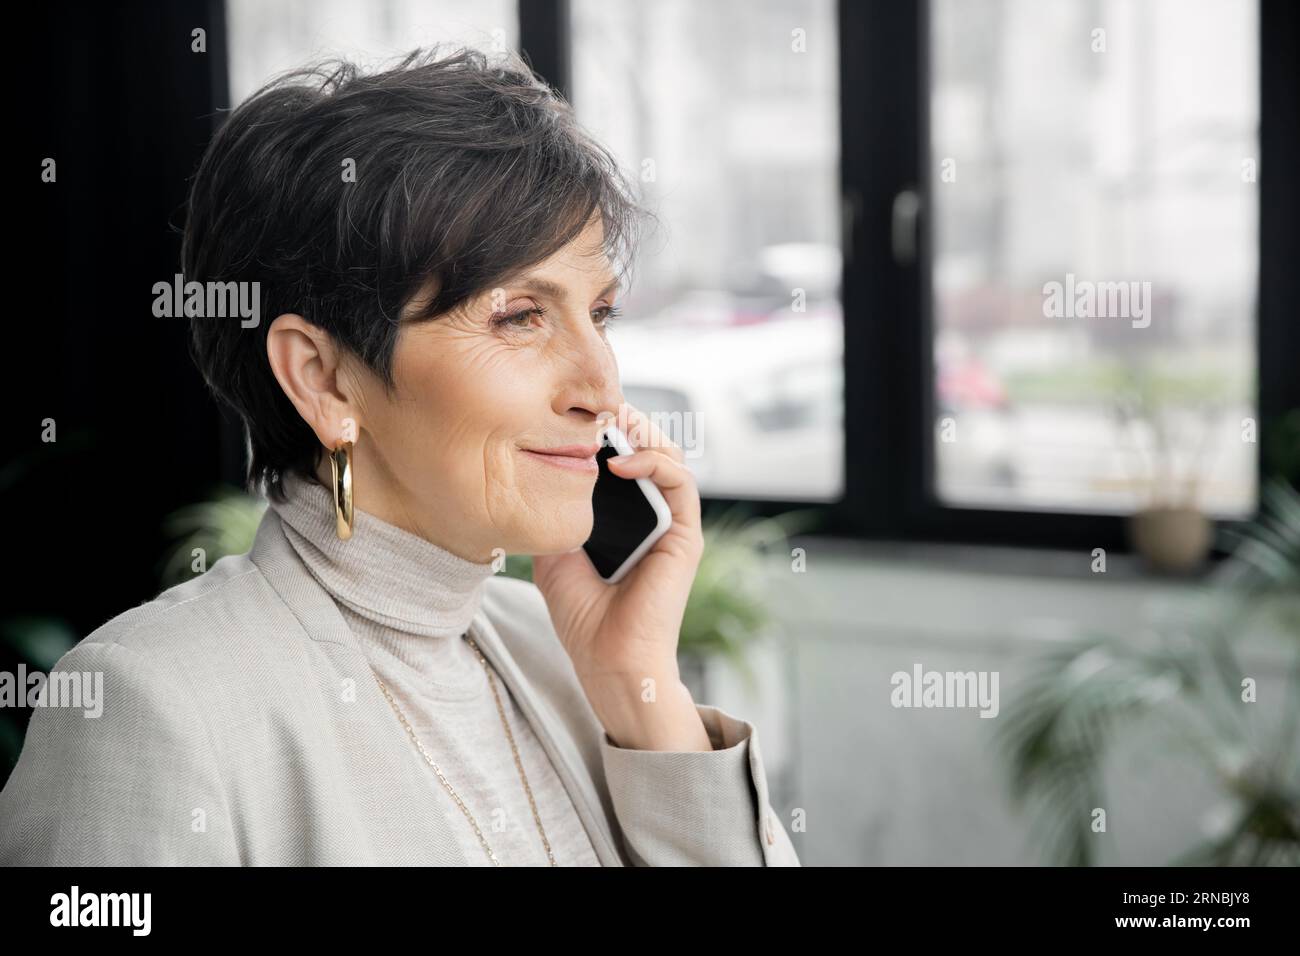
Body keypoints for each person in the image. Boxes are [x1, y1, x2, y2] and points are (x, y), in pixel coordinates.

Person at [0, 45, 799, 866]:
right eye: (520, 315)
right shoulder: (149, 710)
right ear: (324, 379)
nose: (601, 382)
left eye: (601, 313)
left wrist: (643, 689)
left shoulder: (562, 647)